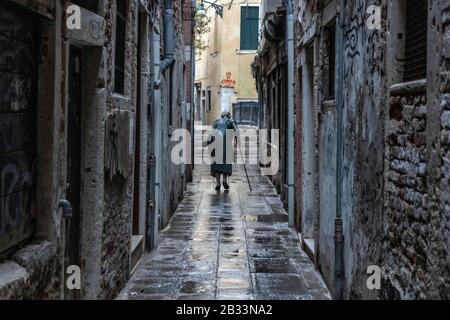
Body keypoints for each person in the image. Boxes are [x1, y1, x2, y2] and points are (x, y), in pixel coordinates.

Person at [208, 110, 238, 191]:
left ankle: (218, 183)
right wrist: (236, 140)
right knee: (225, 164)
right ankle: (224, 180)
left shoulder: (216, 122)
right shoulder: (230, 122)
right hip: (226, 147)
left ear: (222, 115)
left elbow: (211, 134)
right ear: (229, 116)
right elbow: (236, 131)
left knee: (217, 165)